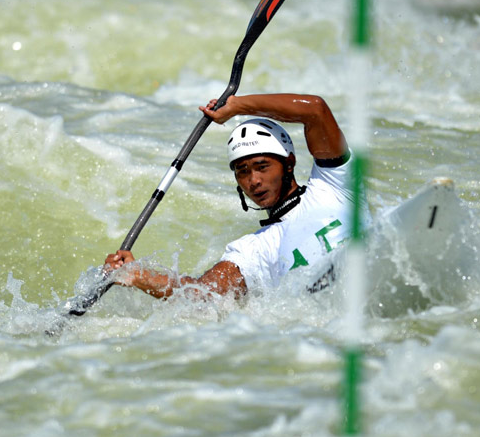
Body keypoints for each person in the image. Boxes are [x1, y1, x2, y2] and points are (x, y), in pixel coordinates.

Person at [104, 93, 366, 299]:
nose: (254, 181)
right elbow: (203, 293)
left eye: (262, 167)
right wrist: (138, 275)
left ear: (289, 163)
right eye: (242, 172)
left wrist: (238, 106)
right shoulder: (253, 250)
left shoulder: (334, 184)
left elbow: (315, 110)